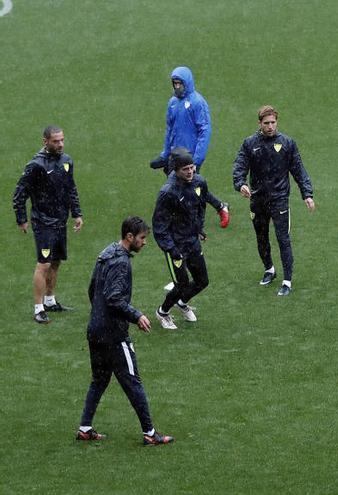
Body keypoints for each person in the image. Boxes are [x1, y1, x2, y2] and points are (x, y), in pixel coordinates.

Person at [76, 216, 173, 446]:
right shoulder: (121, 263)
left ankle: (84, 428)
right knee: (133, 381)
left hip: (95, 329)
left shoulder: (106, 252)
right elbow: (114, 298)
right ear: (129, 237)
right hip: (113, 334)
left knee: (99, 380)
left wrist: (98, 313)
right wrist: (136, 315)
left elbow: (93, 289)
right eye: (141, 238)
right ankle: (150, 433)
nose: (144, 242)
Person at [233, 105, 315, 296]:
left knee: (283, 239)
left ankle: (287, 280)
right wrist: (240, 184)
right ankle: (269, 269)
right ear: (259, 123)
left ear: (276, 122)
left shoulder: (287, 143)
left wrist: (307, 194)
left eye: (273, 123)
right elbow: (239, 166)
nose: (270, 127)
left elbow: (299, 170)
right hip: (258, 200)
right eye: (266, 123)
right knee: (261, 238)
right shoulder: (249, 144)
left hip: (279, 200)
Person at [13, 126, 83, 324]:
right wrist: (21, 219)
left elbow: (71, 188)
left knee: (56, 261)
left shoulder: (67, 161)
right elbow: (20, 193)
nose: (60, 144)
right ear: (45, 141)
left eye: (62, 140)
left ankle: (50, 300)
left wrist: (76, 213)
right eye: (55, 141)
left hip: (60, 221)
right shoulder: (36, 165)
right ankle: (38, 308)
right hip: (43, 222)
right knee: (43, 264)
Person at [152, 150, 225, 329]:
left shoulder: (199, 182)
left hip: (192, 241)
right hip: (176, 246)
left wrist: (199, 227)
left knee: (202, 281)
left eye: (192, 167)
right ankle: (163, 312)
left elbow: (201, 203)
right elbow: (159, 227)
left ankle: (182, 303)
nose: (190, 172)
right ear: (175, 170)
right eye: (185, 169)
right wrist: (171, 248)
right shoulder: (168, 193)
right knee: (182, 284)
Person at [150, 66, 212, 173]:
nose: (177, 86)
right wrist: (165, 155)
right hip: (174, 157)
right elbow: (170, 131)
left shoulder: (198, 102)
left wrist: (196, 161)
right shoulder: (173, 103)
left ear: (187, 83)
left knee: (191, 189)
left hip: (189, 159)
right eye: (175, 83)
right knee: (171, 188)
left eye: (180, 83)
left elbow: (205, 131)